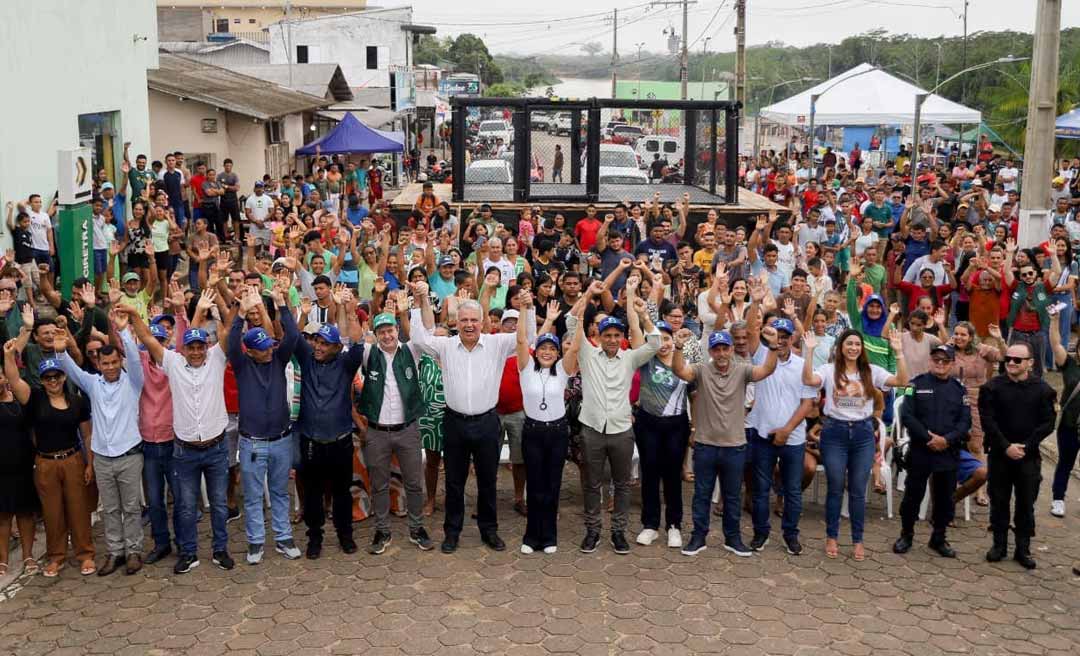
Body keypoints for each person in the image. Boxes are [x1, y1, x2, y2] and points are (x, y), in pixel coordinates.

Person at [130, 291, 235, 574]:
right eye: (192, 347)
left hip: (216, 447)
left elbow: (230, 331)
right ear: (184, 349)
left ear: (207, 346)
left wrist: (234, 304)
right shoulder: (173, 363)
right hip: (185, 451)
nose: (198, 351)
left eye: (201, 346)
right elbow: (150, 340)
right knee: (186, 507)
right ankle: (188, 553)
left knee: (220, 504)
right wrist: (133, 315)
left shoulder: (216, 358)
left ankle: (220, 550)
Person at [412, 286, 520, 554]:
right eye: (464, 320)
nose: (469, 325)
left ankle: (489, 530)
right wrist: (418, 302)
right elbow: (418, 338)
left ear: (482, 323)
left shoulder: (497, 343)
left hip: (486, 423)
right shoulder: (446, 346)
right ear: (455, 323)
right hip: (455, 423)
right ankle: (452, 532)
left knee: (487, 480)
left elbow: (525, 336)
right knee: (454, 481)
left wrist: (527, 308)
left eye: (474, 320)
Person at [672, 326, 779, 557]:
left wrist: (772, 345)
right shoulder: (701, 370)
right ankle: (698, 538)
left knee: (732, 496)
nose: (721, 354)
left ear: (731, 349)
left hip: (734, 446)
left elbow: (768, 369)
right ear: (711, 351)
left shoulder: (742, 370)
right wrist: (678, 346)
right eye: (716, 349)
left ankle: (733, 538)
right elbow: (680, 370)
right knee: (701, 494)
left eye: (725, 348)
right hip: (705, 444)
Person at [802, 329, 908, 561]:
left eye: (857, 345)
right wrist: (808, 352)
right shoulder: (829, 370)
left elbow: (902, 381)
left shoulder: (871, 372)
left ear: (862, 348)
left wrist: (899, 352)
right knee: (836, 486)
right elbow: (809, 380)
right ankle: (831, 536)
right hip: (834, 433)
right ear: (841, 347)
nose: (853, 348)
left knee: (859, 490)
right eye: (849, 344)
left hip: (862, 434)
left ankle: (857, 539)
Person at [56, 307, 146, 576]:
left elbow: (135, 359)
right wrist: (60, 351)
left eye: (114, 363)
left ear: (120, 362)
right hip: (103, 459)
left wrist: (122, 332)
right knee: (110, 509)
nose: (109, 367)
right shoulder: (93, 384)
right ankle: (115, 552)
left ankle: (133, 552)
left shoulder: (133, 383)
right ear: (99, 364)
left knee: (131, 508)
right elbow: (71, 371)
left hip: (129, 455)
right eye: (104, 364)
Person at [575, 277, 660, 555]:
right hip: (592, 429)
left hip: (622, 430)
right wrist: (589, 294)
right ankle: (592, 531)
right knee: (592, 483)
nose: (612, 340)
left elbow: (655, 344)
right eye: (606, 335)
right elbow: (574, 320)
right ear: (598, 337)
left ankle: (619, 532)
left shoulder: (629, 357)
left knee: (622, 484)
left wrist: (645, 318)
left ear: (622, 338)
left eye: (616, 335)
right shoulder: (587, 354)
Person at [226, 286, 303, 564]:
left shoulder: (278, 359)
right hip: (252, 443)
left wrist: (282, 304)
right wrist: (241, 314)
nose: (268, 352)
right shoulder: (242, 364)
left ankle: (283, 538)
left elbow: (292, 336)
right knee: (253, 496)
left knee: (281, 492)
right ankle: (256, 542)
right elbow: (232, 343)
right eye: (261, 349)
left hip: (282, 440)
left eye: (269, 346)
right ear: (251, 351)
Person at [4, 344, 95, 578]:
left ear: (64, 376)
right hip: (45, 463)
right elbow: (14, 381)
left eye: (56, 376)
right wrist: (8, 356)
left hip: (73, 458)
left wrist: (89, 463)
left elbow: (87, 434)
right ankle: (56, 557)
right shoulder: (34, 399)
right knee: (52, 512)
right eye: (47, 377)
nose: (53, 381)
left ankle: (85, 554)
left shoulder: (77, 402)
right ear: (42, 380)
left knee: (78, 509)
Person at [356, 309, 434, 554]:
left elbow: (424, 334)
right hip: (377, 431)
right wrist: (348, 310)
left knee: (413, 482)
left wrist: (406, 313)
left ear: (397, 330)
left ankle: (417, 528)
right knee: (378, 484)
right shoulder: (369, 354)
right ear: (376, 334)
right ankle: (382, 530)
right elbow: (353, 337)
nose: (387, 335)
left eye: (390, 330)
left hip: (407, 429)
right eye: (381, 332)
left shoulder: (411, 350)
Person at [979, 342, 1056, 569]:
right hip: (1000, 454)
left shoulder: (1043, 390)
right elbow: (987, 421)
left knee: (1026, 504)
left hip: (1028, 456)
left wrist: (1026, 446)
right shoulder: (992, 388)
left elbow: (1048, 423)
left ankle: (1023, 549)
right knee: (999, 501)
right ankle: (999, 545)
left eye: (1017, 360)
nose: (1011, 363)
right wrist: (1005, 446)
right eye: (1008, 359)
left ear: (1030, 363)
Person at [293, 316, 365, 560]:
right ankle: (315, 537)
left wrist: (346, 308)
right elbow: (293, 336)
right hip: (311, 441)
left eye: (325, 344)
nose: (318, 347)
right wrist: (284, 305)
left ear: (336, 347)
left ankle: (345, 535)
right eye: (316, 341)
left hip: (341, 441)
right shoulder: (306, 359)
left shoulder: (345, 365)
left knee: (342, 492)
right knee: (313, 492)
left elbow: (356, 346)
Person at [515, 291, 581, 554]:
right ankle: (532, 537)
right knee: (535, 484)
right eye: (542, 348)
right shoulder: (526, 369)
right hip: (532, 431)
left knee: (552, 485)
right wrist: (523, 309)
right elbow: (521, 340)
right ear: (536, 351)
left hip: (556, 432)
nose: (546, 352)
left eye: (551, 349)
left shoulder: (564, 370)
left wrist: (580, 312)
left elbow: (575, 346)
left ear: (557, 353)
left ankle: (549, 537)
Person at [746, 317, 818, 556]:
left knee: (793, 490)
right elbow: (750, 327)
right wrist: (756, 305)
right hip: (762, 434)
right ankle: (760, 533)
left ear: (792, 338)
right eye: (777, 336)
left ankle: (790, 535)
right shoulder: (760, 356)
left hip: (793, 438)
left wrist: (786, 430)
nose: (781, 340)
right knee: (760, 489)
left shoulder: (801, 365)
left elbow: (808, 403)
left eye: (785, 336)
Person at [894, 345, 971, 558]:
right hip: (922, 449)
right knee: (912, 496)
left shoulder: (959, 389)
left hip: (948, 451)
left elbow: (965, 421)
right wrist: (929, 439)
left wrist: (946, 440)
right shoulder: (916, 385)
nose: (940, 363)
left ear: (952, 364)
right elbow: (908, 415)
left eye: (945, 361)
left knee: (945, 498)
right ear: (930, 361)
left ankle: (939, 537)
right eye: (936, 359)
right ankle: (906, 534)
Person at [632, 320, 692, 550]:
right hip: (648, 424)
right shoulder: (646, 361)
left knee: (672, 475)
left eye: (667, 338)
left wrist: (694, 427)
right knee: (649, 473)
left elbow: (694, 396)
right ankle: (650, 525)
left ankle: (674, 525)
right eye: (658, 339)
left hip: (676, 425)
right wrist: (637, 311)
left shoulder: (683, 363)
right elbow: (637, 333)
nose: (663, 343)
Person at [0, 342, 40, 578]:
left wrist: (9, 356)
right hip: (1, 470)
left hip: (23, 465)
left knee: (26, 514)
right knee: (3, 516)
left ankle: (28, 555)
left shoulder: (19, 400)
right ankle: (2, 560)